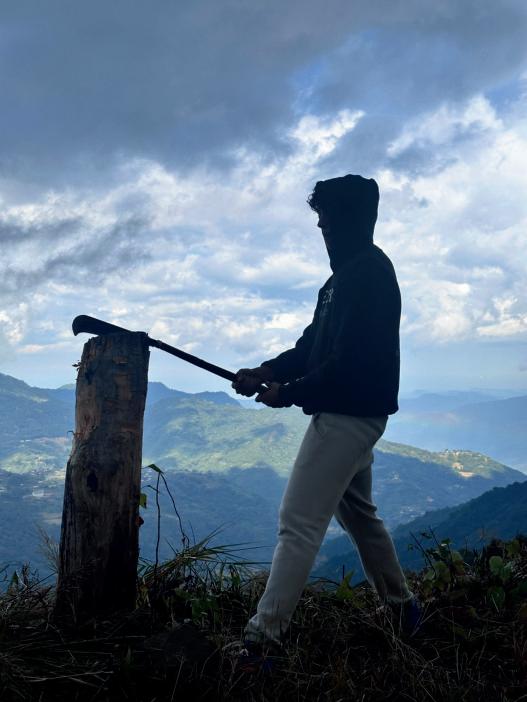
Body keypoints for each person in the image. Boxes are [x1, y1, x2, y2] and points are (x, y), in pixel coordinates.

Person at [231, 174, 421, 663]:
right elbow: (311, 347)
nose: (322, 229)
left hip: (347, 415)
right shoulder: (340, 282)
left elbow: (348, 362)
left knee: (297, 523)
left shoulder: (368, 275)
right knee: (358, 514)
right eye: (320, 221)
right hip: (356, 412)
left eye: (328, 220)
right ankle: (403, 609)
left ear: (352, 220)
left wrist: (288, 393)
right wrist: (267, 371)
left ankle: (263, 641)